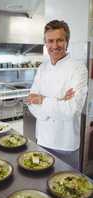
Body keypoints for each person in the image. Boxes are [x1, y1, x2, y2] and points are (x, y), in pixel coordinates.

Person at [26, 20, 88, 169]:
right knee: (41, 186)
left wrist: (42, 100)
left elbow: (71, 111)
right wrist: (59, 101)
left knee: (66, 187)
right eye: (50, 41)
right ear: (45, 43)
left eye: (60, 40)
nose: (55, 46)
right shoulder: (42, 68)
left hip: (65, 143)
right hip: (42, 139)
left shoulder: (78, 69)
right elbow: (30, 103)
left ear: (67, 41)